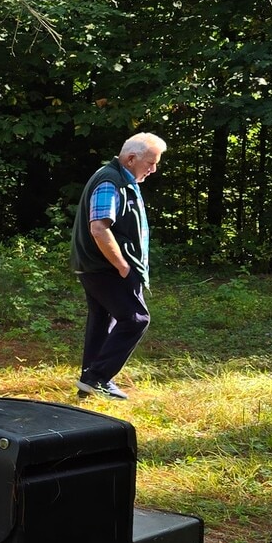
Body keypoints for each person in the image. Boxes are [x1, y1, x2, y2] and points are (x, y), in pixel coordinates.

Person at [70, 133, 165, 400]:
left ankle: (89, 381)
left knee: (103, 320)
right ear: (131, 158)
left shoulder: (120, 178)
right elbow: (99, 229)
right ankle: (98, 377)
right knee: (136, 318)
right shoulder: (111, 180)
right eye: (150, 163)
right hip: (106, 267)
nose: (153, 169)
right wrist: (122, 266)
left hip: (96, 266)